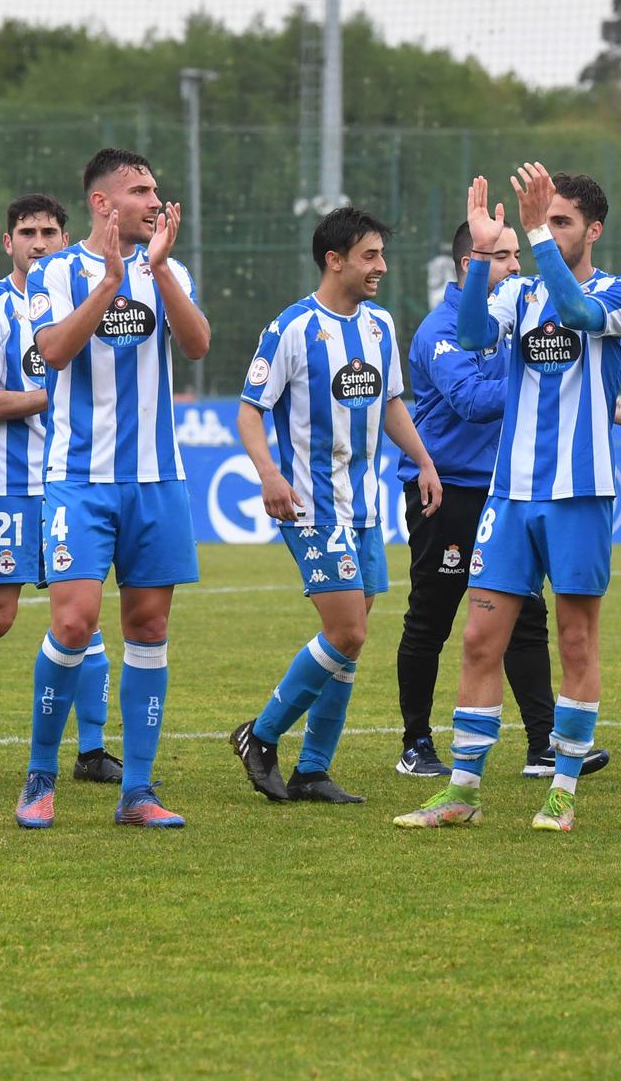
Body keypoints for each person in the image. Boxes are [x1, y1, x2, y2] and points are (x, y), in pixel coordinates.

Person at [393, 163, 621, 834]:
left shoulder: (619, 292)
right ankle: (463, 791)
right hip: (511, 494)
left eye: (562, 221)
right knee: (478, 639)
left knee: (576, 638)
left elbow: (582, 313)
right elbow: (472, 334)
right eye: (545, 219)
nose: (550, 232)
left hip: (578, 494)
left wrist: (529, 233)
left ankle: (561, 790)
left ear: (594, 229)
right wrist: (480, 257)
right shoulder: (521, 292)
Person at [13, 148, 209, 830]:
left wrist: (154, 271)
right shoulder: (54, 272)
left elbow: (197, 344)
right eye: (141, 190)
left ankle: (139, 791)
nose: (156, 201)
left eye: (156, 188)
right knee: (73, 622)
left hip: (158, 481)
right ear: (104, 204)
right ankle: (40, 775)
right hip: (79, 479)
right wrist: (110, 284)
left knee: (149, 627)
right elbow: (54, 352)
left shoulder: (169, 268)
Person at [229, 208, 443, 805]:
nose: (381, 267)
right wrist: (270, 475)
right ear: (335, 260)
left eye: (380, 255)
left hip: (364, 510)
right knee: (345, 631)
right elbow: (249, 411)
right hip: (312, 509)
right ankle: (261, 736)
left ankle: (313, 769)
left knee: (351, 638)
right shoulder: (291, 328)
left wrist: (424, 462)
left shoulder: (377, 325)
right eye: (370, 256)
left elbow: (393, 402)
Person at [0, 193, 121, 786]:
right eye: (28, 232)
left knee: (83, 614)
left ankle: (91, 751)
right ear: (8, 243)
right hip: (5, 483)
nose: (40, 241)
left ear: (66, 239)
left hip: (75, 479)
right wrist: (53, 397)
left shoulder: (89, 305)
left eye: (50, 231)